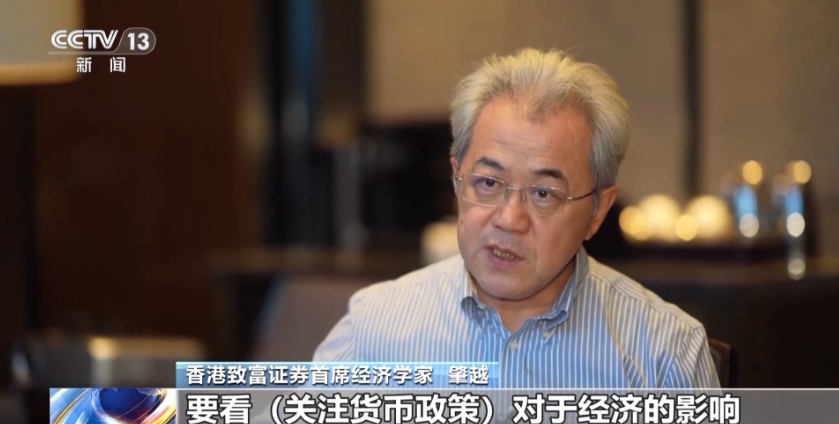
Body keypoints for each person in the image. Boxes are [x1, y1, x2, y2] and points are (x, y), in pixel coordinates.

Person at [314, 48, 720, 388]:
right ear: (456, 177)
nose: (509, 220)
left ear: (597, 210)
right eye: (488, 183)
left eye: (543, 193)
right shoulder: (372, 331)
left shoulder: (664, 354)